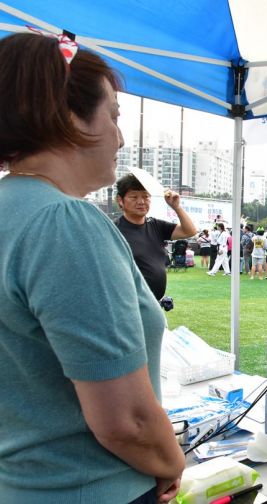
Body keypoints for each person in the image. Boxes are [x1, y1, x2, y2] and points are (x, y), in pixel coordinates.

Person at [0, 32, 183, 502]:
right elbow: (126, 420)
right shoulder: (64, 222)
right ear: (67, 117)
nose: (120, 137)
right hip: (88, 485)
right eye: (114, 116)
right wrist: (169, 462)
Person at [115, 173, 197, 300]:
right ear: (120, 200)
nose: (141, 202)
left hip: (155, 303)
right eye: (134, 197)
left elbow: (189, 231)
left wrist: (176, 207)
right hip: (129, 302)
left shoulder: (155, 226)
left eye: (145, 196)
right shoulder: (114, 230)